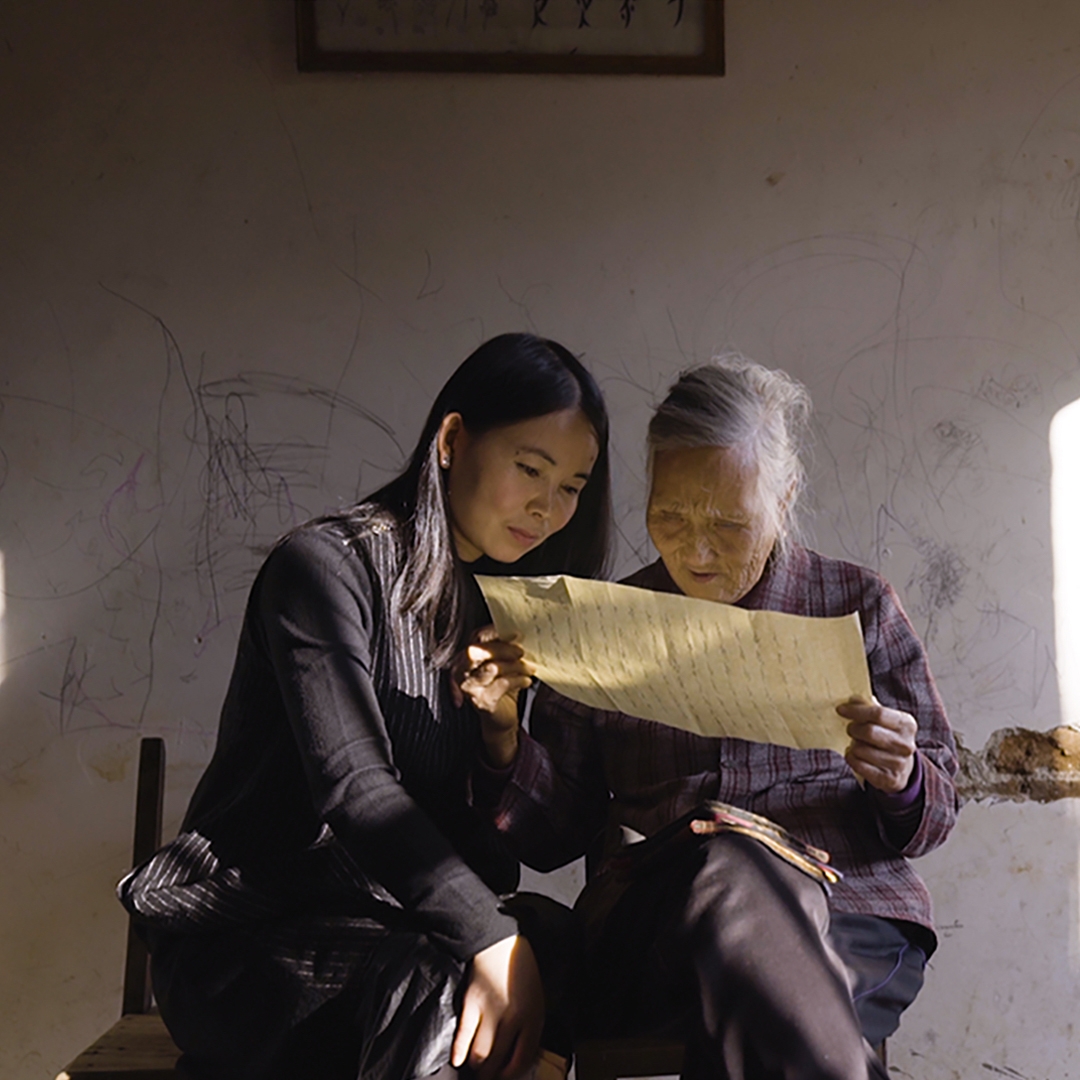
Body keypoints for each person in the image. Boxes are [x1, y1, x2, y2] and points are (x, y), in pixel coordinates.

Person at [118, 333, 613, 1080]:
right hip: (252, 943)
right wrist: (485, 936)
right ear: (452, 440)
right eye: (529, 467)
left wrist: (499, 733)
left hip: (398, 931)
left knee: (556, 946)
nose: (547, 507)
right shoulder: (325, 568)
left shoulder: (502, 608)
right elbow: (356, 789)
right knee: (444, 986)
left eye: (571, 486)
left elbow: (527, 852)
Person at [466, 357, 960, 1080]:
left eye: (728, 523)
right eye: (668, 516)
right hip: (663, 926)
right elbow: (550, 838)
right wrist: (502, 734)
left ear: (784, 497)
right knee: (731, 871)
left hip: (849, 914)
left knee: (757, 1000)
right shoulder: (604, 623)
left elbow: (936, 813)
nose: (694, 551)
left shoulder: (856, 603)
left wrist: (904, 779)